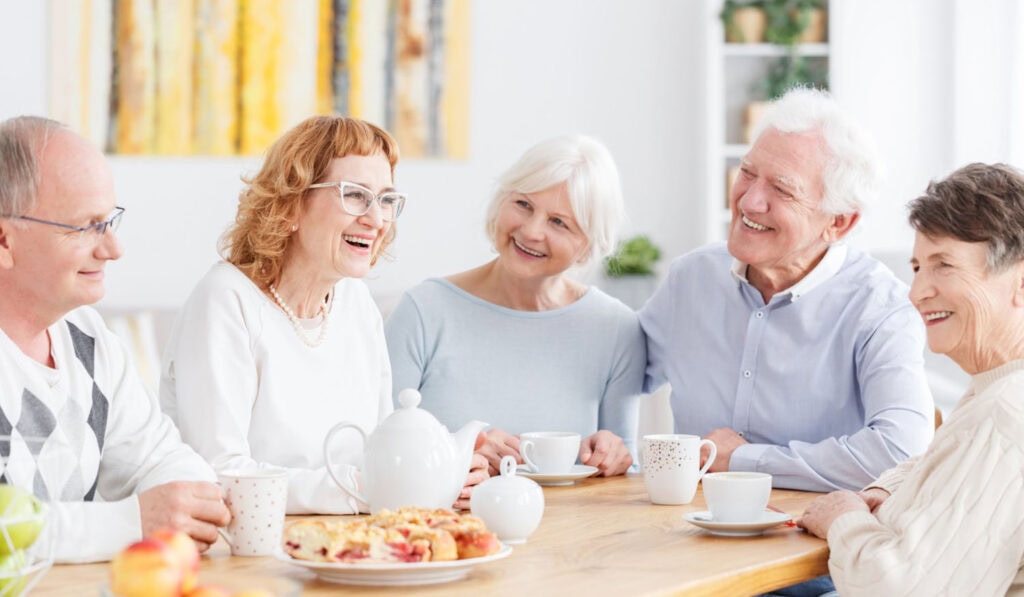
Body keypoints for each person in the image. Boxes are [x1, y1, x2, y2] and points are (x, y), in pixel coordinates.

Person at [161, 115, 487, 513]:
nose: (377, 219)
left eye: (386, 200)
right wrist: (372, 488)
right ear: (291, 204)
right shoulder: (227, 300)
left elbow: (382, 449)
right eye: (354, 195)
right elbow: (220, 473)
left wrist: (438, 472)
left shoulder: (356, 303)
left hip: (357, 544)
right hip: (254, 556)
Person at [640, 87, 935, 494]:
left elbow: (900, 452)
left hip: (816, 547)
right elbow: (613, 366)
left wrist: (745, 462)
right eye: (747, 172)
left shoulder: (881, 310)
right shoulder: (690, 279)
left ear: (839, 223)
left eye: (782, 189)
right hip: (688, 536)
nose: (750, 200)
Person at [0, 116, 229, 563]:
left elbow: (166, 461)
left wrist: (181, 507)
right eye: (85, 227)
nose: (112, 249)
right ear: (4, 240)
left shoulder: (89, 338)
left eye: (109, 221)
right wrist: (133, 524)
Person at [798, 163, 1024, 595]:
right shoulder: (998, 388)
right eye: (918, 266)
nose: (916, 291)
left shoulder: (1002, 412)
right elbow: (950, 468)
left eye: (944, 265)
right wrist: (889, 488)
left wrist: (844, 517)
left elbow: (900, 590)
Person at [385, 134, 645, 477]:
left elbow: (625, 469)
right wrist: (461, 448)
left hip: (572, 528)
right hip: (443, 527)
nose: (531, 230)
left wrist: (615, 455)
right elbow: (378, 446)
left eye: (559, 222)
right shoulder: (423, 311)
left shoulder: (617, 328)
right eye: (523, 204)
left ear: (588, 245)